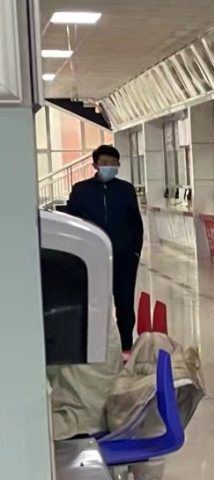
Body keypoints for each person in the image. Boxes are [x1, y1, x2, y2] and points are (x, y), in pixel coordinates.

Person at [66, 144, 145, 353]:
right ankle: (97, 348)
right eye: (104, 163)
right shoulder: (81, 190)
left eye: (112, 163)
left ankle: (125, 347)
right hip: (92, 258)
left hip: (123, 258)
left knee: (125, 304)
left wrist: (135, 252)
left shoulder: (126, 190)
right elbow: (72, 223)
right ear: (95, 165)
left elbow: (136, 224)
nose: (108, 166)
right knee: (96, 303)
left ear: (118, 165)